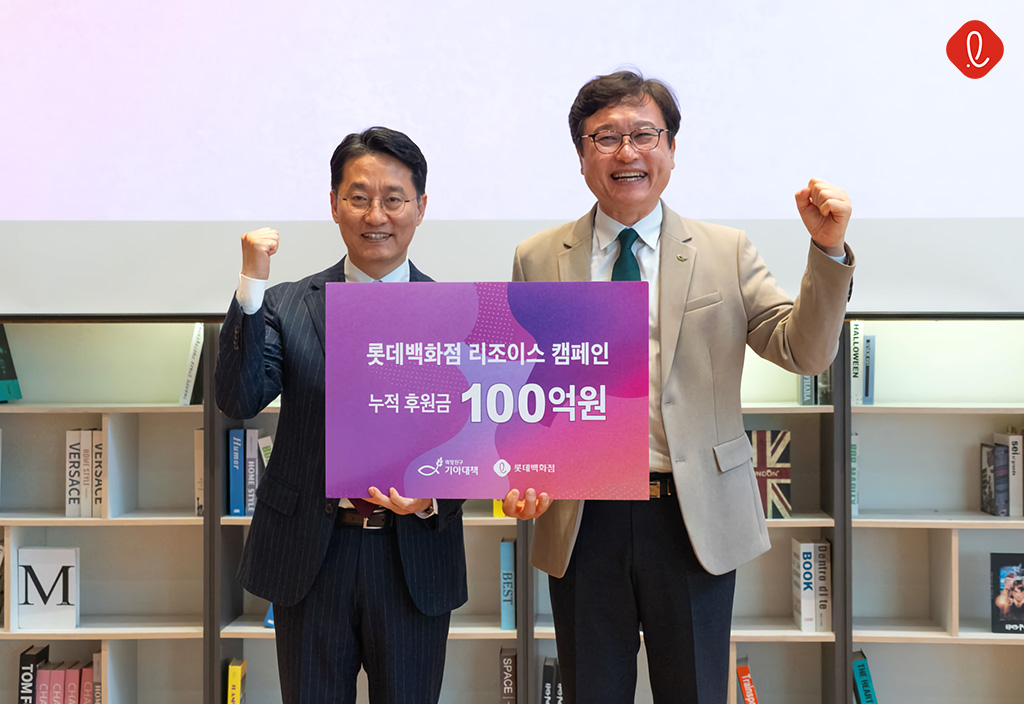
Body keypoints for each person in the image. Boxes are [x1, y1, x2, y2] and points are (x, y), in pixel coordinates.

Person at [503, 70, 856, 703]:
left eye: (645, 134)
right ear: (581, 155)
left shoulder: (726, 250)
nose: (627, 151)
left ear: (670, 148)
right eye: (606, 137)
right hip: (584, 518)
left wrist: (826, 253)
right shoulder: (538, 257)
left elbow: (803, 351)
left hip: (692, 516)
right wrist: (520, 470)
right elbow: (526, 386)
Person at [216, 126, 467, 704]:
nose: (376, 215)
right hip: (311, 556)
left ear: (421, 207)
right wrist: (252, 283)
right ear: (334, 204)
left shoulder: (458, 314)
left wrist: (432, 497)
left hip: (412, 557)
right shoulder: (286, 304)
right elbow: (239, 397)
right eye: (358, 197)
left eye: (394, 198)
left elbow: (472, 439)